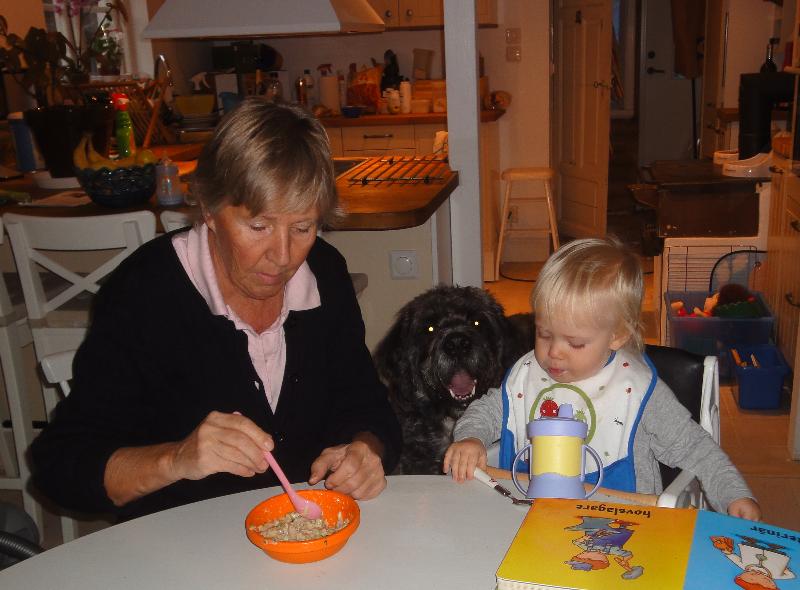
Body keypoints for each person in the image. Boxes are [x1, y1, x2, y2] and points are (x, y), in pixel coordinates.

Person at [31, 98, 402, 521]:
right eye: (258, 226)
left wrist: (366, 450)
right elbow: (61, 466)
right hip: (179, 538)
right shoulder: (146, 293)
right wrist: (177, 459)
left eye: (303, 228)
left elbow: (367, 404)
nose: (283, 256)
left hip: (307, 536)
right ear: (209, 209)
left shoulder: (325, 274)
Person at [443, 237, 760, 520]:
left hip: (620, 530)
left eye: (575, 343)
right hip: (531, 520)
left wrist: (734, 494)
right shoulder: (528, 375)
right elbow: (485, 412)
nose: (554, 352)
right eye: (544, 334)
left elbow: (697, 449)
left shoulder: (635, 391)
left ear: (617, 335)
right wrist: (471, 438)